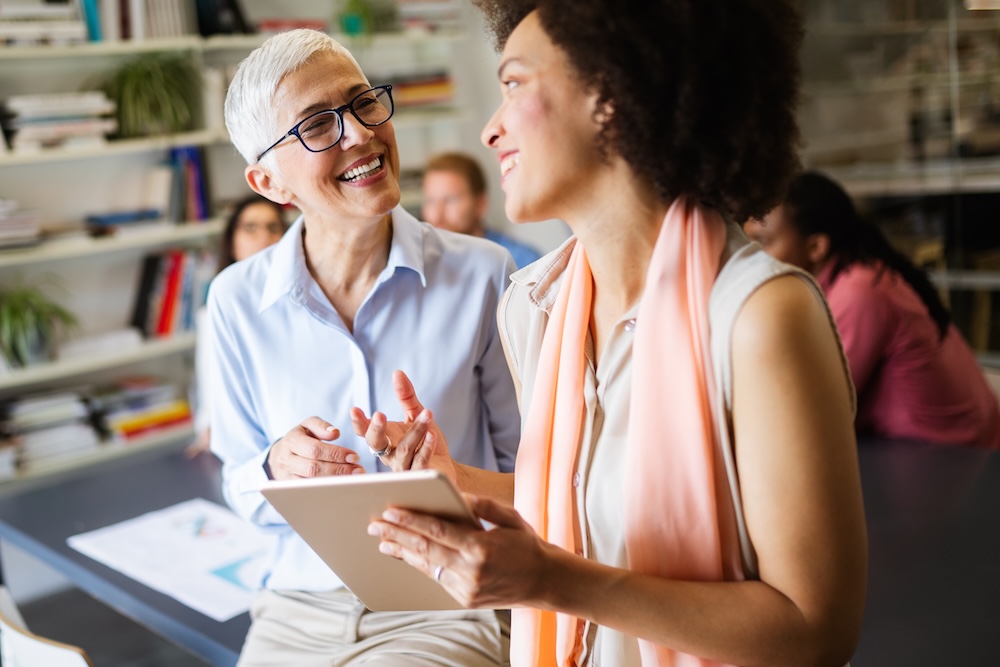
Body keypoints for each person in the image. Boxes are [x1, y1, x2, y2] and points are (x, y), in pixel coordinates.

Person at [354, 2, 867, 667]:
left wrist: (553, 582)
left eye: (513, 85)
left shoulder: (761, 315)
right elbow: (582, 503)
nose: (490, 129)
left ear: (612, 95)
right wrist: (455, 481)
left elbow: (814, 631)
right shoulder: (532, 307)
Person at [207, 29, 520, 666]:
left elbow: (540, 479)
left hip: (444, 602)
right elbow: (237, 479)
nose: (359, 134)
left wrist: (452, 480)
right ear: (268, 181)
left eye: (363, 103)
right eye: (318, 126)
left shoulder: (485, 274)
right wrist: (275, 469)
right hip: (293, 610)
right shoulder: (234, 300)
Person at [744, 171, 1000, 448]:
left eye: (764, 242)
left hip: (953, 454)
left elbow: (815, 412)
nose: (751, 258)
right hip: (952, 441)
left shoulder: (859, 292)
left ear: (816, 246)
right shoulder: (858, 270)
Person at [191, 194, 288, 454]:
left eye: (273, 227)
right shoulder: (217, 306)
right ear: (232, 243)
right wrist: (208, 425)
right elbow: (210, 373)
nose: (263, 237)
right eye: (250, 228)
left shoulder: (298, 301)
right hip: (246, 441)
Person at [422, 151, 542, 268]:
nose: (437, 213)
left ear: (480, 204)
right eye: (430, 201)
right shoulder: (421, 262)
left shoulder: (522, 262)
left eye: (450, 200)